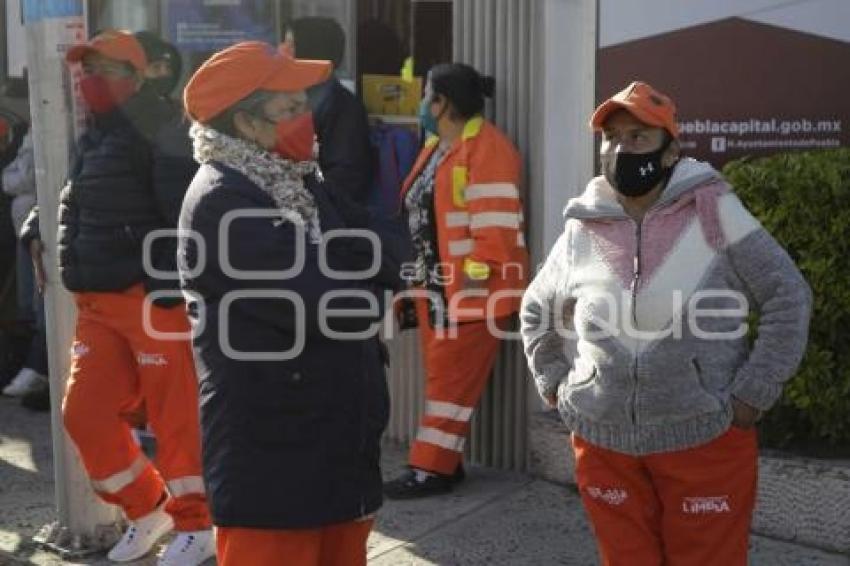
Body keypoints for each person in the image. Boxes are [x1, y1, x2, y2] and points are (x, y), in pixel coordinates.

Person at [520, 81, 812, 566]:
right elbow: (535, 309)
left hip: (704, 438)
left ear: (671, 149)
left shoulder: (715, 211)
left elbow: (789, 295)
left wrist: (751, 394)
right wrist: (555, 383)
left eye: (638, 137)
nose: (621, 148)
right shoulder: (583, 226)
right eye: (612, 137)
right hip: (603, 442)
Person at [179, 41, 399, 566]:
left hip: (332, 441)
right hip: (273, 453)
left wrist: (376, 276)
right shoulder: (223, 200)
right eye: (293, 109)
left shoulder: (298, 177)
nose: (309, 119)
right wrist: (374, 290)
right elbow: (330, 303)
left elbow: (380, 245)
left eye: (307, 103)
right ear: (247, 123)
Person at [59, 29, 213, 565]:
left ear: (137, 75)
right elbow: (83, 202)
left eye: (104, 70)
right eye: (86, 70)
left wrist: (173, 287)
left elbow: (185, 215)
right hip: (97, 302)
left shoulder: (162, 128)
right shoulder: (96, 132)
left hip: (150, 297)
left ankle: (199, 524)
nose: (90, 81)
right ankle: (149, 508)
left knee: (176, 421)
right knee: (85, 414)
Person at [383, 63, 529, 499]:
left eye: (424, 93)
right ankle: (446, 464)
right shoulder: (439, 146)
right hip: (437, 292)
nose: (420, 103)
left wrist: (469, 287)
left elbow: (497, 233)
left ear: (441, 101)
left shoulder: (488, 148)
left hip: (468, 298)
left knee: (449, 390)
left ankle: (431, 469)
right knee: (442, 384)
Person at [288, 17, 373, 204]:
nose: (284, 54)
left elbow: (345, 177)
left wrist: (299, 199)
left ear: (309, 51)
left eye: (291, 46)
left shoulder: (342, 107)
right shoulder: (289, 98)